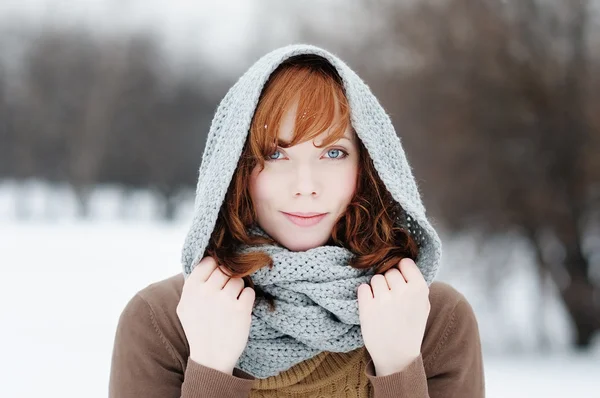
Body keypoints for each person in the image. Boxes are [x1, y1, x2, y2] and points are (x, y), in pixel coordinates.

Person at [108, 44, 485, 397]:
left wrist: (398, 369)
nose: (306, 186)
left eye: (333, 152)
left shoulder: (433, 319)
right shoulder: (164, 321)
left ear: (368, 168)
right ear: (236, 170)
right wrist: (210, 368)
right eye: (275, 153)